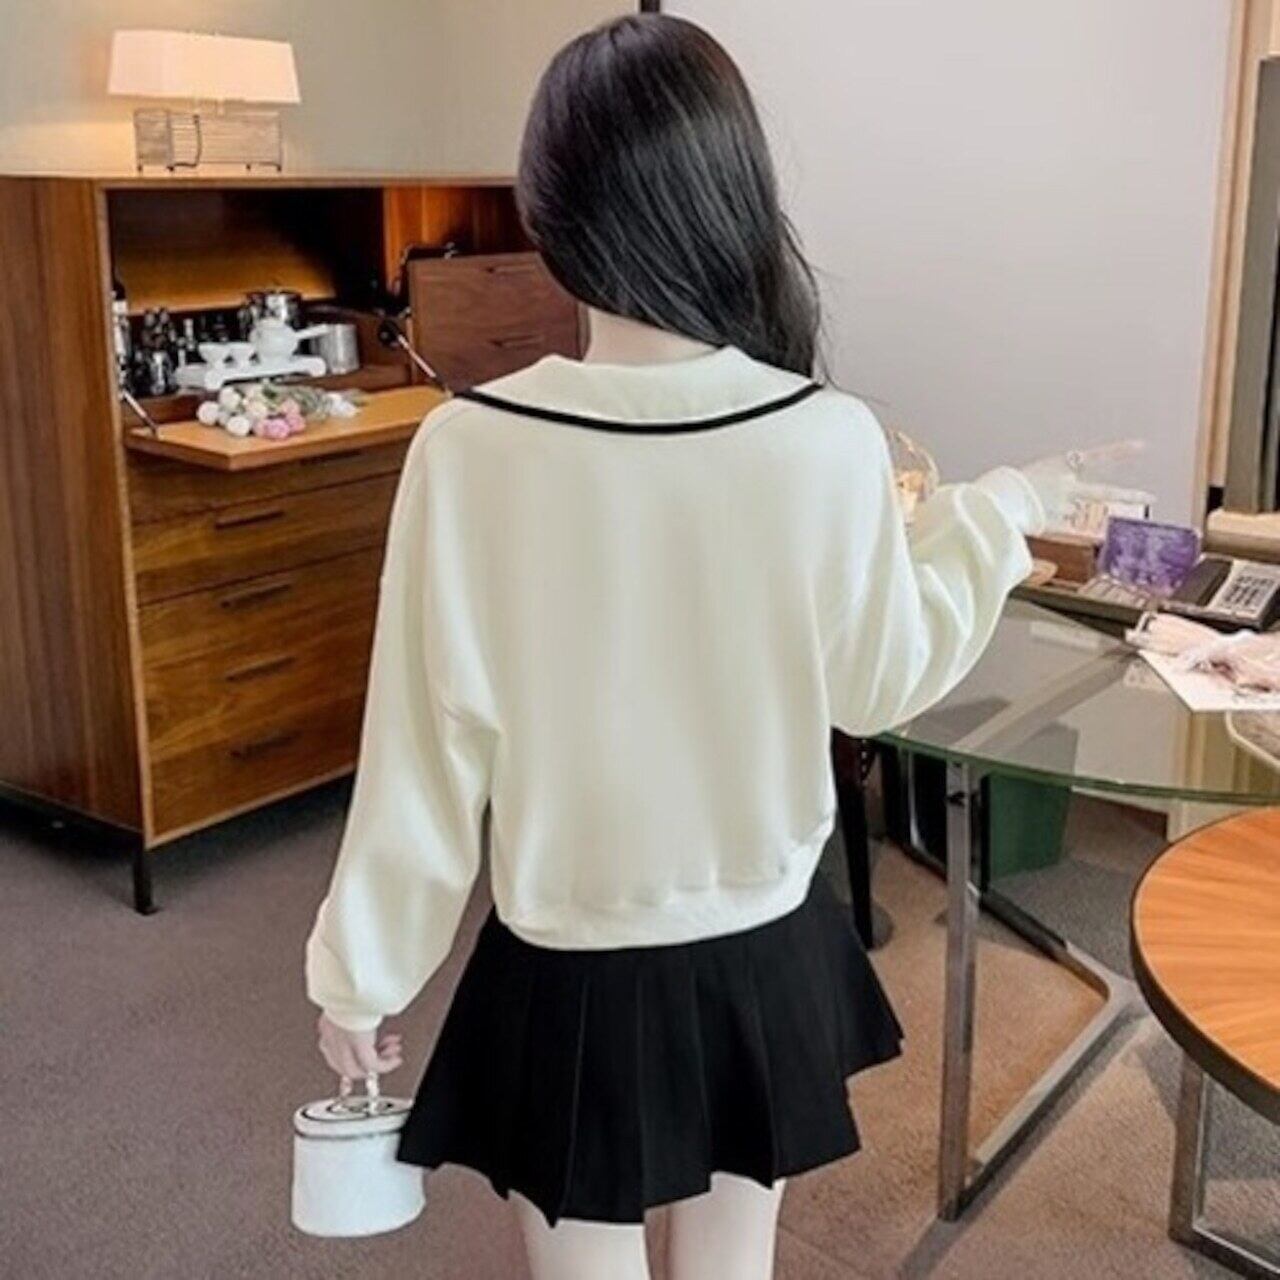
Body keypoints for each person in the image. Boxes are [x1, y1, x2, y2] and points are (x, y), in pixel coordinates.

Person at [304, 13, 1115, 1279]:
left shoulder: (468, 450)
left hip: (570, 961)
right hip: (763, 944)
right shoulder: (824, 434)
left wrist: (361, 971)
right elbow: (880, 678)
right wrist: (997, 511)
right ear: (733, 194)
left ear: (548, 208)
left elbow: (424, 746)